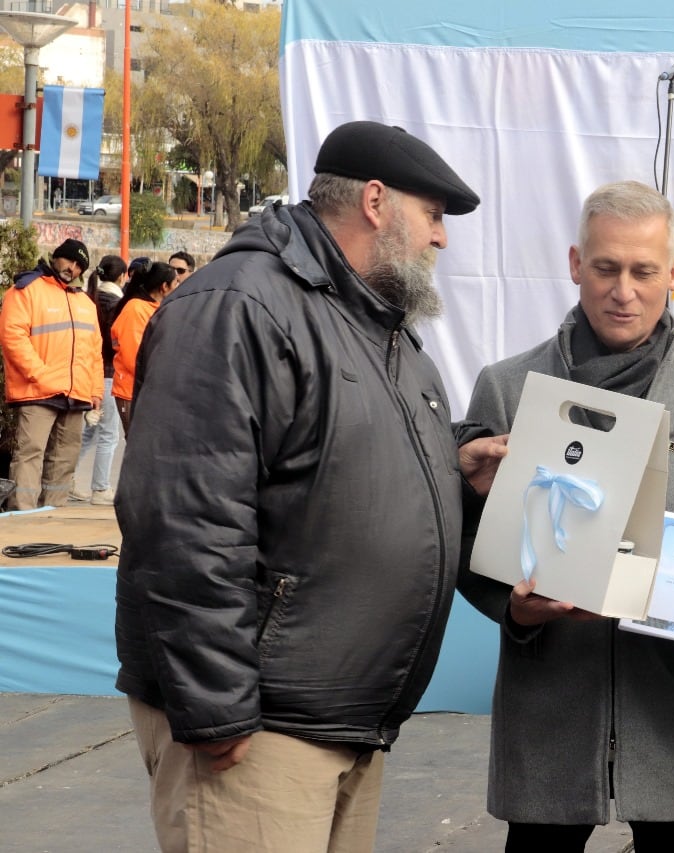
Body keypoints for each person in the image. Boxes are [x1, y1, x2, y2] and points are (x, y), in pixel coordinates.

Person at [114, 120, 507, 853]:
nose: (442, 239)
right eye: (434, 216)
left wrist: (455, 462)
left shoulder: (379, 329)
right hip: (259, 728)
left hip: (340, 724)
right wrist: (218, 709)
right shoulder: (242, 306)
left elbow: (334, 458)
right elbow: (184, 517)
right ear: (376, 202)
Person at [458, 180, 674, 852]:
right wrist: (516, 611)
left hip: (673, 726)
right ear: (575, 264)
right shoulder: (507, 388)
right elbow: (467, 549)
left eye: (643, 270)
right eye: (605, 267)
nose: (622, 289)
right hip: (546, 724)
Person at [0, 239, 103, 510]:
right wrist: (41, 375)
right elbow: (13, 338)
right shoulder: (26, 290)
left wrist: (94, 391)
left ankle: (55, 517)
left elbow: (94, 351)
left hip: (76, 394)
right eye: (70, 261)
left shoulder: (85, 302)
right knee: (30, 454)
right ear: (57, 257)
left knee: (65, 459)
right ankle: (22, 515)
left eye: (80, 266)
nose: (74, 269)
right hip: (38, 392)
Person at [71, 254, 128, 504]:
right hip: (108, 375)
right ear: (122, 277)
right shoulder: (118, 304)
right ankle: (101, 488)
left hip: (88, 373)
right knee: (108, 434)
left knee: (89, 433)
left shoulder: (88, 299)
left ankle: (66, 480)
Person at [109, 260, 179, 437]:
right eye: (176, 282)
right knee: (138, 446)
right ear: (164, 286)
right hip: (133, 391)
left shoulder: (158, 308)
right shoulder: (136, 309)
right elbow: (134, 357)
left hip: (151, 388)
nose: (179, 286)